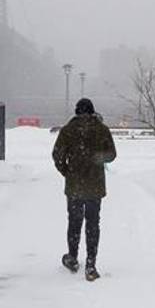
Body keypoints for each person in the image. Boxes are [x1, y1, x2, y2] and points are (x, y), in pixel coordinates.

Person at [52, 98, 117, 281]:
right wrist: (97, 158)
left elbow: (57, 155)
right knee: (93, 224)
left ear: (76, 111)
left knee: (74, 222)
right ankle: (91, 264)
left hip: (75, 186)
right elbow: (112, 154)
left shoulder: (68, 130)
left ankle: (72, 258)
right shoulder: (102, 129)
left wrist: (67, 172)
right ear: (92, 111)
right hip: (95, 186)